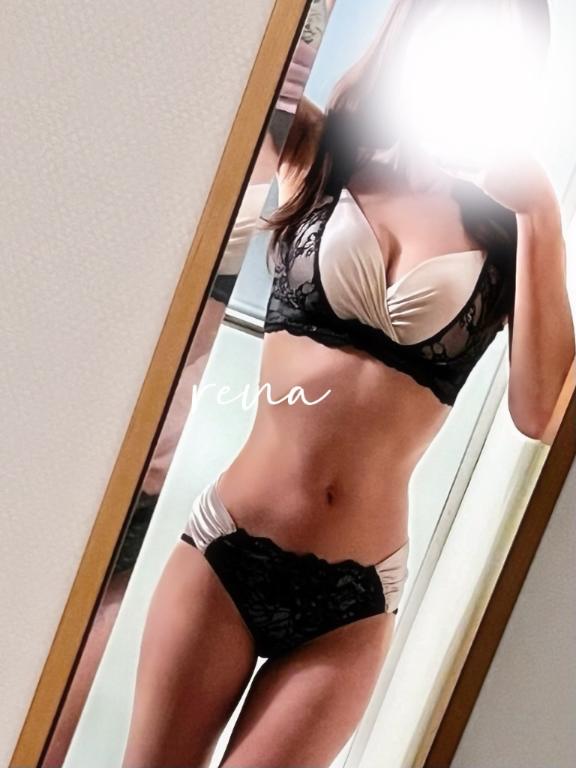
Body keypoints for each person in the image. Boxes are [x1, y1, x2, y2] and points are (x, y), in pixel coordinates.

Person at [122, 1, 575, 766]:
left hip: (352, 604)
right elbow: (196, 84)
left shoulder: (509, 231)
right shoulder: (325, 146)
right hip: (227, 549)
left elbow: (543, 412)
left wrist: (540, 211)